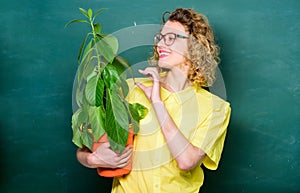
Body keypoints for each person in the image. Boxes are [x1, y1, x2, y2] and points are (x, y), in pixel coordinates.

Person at [76, 8, 231, 193]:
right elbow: (83, 149)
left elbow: (187, 161)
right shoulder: (130, 88)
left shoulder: (215, 108)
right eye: (160, 37)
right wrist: (94, 159)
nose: (160, 45)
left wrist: (157, 102)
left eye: (171, 38)